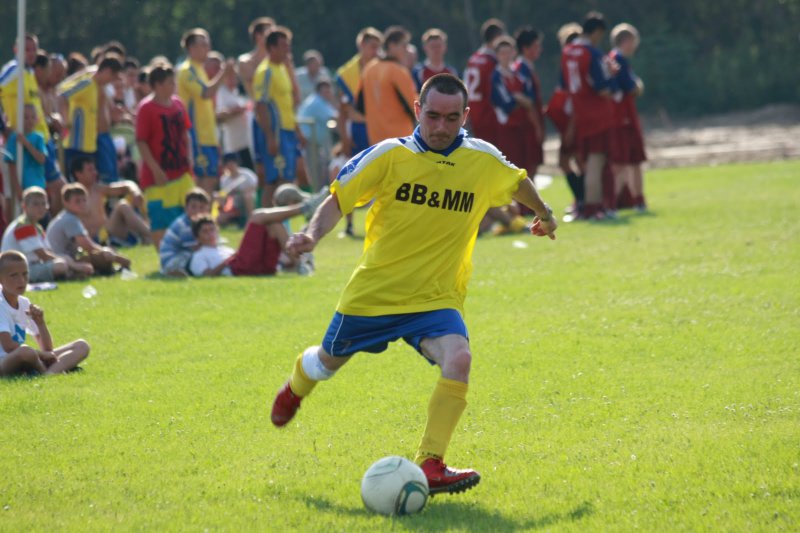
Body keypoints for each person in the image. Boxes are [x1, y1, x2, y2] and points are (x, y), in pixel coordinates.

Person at [269, 74, 558, 495]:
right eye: (433, 116)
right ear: (418, 111)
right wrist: (312, 236)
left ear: (465, 116)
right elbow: (338, 201)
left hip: (436, 297)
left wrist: (545, 214)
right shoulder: (389, 155)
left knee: (459, 359)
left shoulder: (481, 158)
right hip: (375, 294)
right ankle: (297, 384)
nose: (441, 127)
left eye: (452, 119)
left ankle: (431, 463)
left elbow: (517, 182)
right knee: (325, 364)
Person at [0, 33, 64, 214]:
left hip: (42, 139)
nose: (31, 53)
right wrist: (3, 127)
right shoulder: (14, 70)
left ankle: (42, 227)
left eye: (34, 49)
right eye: (26, 49)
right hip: (27, 142)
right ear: (16, 50)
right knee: (57, 189)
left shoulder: (29, 72)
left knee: (44, 193)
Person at [561, 11, 616, 220]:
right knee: (596, 160)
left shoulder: (568, 51)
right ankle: (593, 208)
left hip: (579, 112)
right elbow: (602, 88)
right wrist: (612, 77)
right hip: (596, 112)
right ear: (597, 32)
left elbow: (565, 84)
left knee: (586, 160)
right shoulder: (592, 53)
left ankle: (589, 206)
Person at [0, 251, 90, 376]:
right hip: (4, 362)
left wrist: (40, 323)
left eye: (25, 274)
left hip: (29, 358)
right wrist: (42, 355)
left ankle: (49, 373)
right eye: (13, 275)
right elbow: (8, 346)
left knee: (82, 346)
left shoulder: (24, 303)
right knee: (26, 351)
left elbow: (47, 349)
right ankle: (47, 370)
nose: (21, 280)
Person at [135, 62, 195, 250]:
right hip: (158, 178)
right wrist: (156, 170)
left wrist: (190, 158)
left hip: (182, 172)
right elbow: (141, 141)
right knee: (161, 219)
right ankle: (166, 258)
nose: (174, 86)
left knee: (190, 215)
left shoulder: (178, 103)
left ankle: (188, 254)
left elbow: (186, 133)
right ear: (158, 85)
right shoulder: (146, 108)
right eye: (170, 82)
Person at [188, 200, 319, 277]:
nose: (210, 234)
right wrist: (227, 261)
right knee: (257, 216)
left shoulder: (223, 248)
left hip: (259, 268)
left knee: (274, 224)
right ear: (197, 236)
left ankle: (299, 265)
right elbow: (207, 275)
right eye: (205, 231)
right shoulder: (198, 255)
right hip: (238, 269)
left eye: (212, 229)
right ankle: (304, 208)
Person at [177, 28, 235, 194]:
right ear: (191, 48)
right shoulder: (187, 70)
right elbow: (206, 92)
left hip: (208, 135)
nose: (207, 49)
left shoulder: (199, 69)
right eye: (203, 45)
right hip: (197, 136)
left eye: (208, 44)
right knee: (203, 181)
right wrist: (224, 72)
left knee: (211, 179)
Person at [253, 27, 302, 207]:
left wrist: (297, 131)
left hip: (287, 132)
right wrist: (269, 137)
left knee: (286, 179)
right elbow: (261, 105)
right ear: (272, 48)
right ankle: (266, 219)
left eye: (288, 45)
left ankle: (279, 221)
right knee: (274, 180)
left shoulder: (282, 68)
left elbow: (291, 101)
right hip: (276, 133)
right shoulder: (265, 71)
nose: (287, 49)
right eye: (283, 45)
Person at [57, 53, 124, 182]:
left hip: (89, 146)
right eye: (112, 77)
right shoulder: (86, 83)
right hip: (76, 146)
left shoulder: (97, 87)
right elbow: (62, 95)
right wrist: (65, 122)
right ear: (107, 71)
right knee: (76, 186)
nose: (110, 82)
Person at [1, 187, 92, 282]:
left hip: (30, 266)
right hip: (17, 270)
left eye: (43, 203)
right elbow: (43, 255)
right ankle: (71, 274)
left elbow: (48, 252)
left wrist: (68, 261)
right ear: (24, 206)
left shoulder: (36, 226)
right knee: (61, 265)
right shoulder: (23, 226)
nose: (41, 208)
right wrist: (74, 265)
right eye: (36, 204)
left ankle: (72, 274)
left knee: (65, 259)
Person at [46, 183, 131, 275]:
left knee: (105, 251)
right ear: (66, 203)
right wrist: (117, 258)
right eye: (77, 201)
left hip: (64, 260)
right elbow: (87, 246)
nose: (82, 204)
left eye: (84, 200)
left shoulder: (67, 216)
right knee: (103, 256)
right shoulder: (69, 219)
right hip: (61, 261)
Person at [546, 23, 584, 219]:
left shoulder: (573, 64)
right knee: (572, 161)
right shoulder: (571, 64)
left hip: (576, 121)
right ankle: (581, 199)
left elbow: (575, 98)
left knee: (575, 160)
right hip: (574, 120)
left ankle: (584, 201)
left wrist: (570, 126)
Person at [70, 155, 150, 247]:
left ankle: (147, 236)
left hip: (107, 233)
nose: (95, 173)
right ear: (78, 174)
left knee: (124, 204)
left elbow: (126, 185)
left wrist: (135, 192)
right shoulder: (72, 195)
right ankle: (151, 235)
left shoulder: (98, 189)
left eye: (94, 169)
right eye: (90, 170)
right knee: (122, 206)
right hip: (93, 239)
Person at [608, 23, 647, 212]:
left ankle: (635, 200)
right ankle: (613, 204)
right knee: (623, 163)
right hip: (622, 118)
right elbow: (632, 88)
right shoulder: (618, 60)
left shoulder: (617, 59)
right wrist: (638, 86)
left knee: (631, 161)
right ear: (626, 41)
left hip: (623, 117)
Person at [357, 26, 417, 145]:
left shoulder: (369, 69)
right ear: (391, 46)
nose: (407, 50)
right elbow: (414, 107)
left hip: (376, 141)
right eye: (404, 45)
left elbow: (360, 106)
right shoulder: (398, 71)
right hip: (400, 140)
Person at [334, 27, 383, 159]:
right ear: (362, 45)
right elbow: (342, 110)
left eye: (378, 47)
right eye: (373, 47)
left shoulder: (384, 69)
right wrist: (345, 139)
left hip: (381, 128)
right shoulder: (347, 74)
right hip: (358, 130)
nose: (376, 52)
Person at [463, 19, 506, 145]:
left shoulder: (473, 58)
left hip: (473, 112)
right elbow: (496, 92)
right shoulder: (492, 61)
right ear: (497, 37)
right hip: (489, 114)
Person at [158, 188, 211, 277]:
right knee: (192, 255)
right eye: (193, 207)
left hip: (179, 255)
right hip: (171, 258)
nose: (197, 211)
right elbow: (194, 247)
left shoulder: (200, 223)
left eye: (201, 207)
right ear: (186, 208)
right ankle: (173, 270)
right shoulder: (184, 225)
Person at [297, 78, 338, 188]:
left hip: (313, 143)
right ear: (319, 92)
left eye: (329, 91)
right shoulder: (317, 102)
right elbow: (335, 118)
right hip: (309, 143)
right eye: (326, 91)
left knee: (319, 171)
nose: (328, 94)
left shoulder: (319, 101)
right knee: (315, 173)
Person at [3, 104, 46, 202]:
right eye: (26, 117)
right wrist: (18, 189)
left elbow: (42, 159)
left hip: (38, 186)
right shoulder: (13, 138)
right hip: (22, 187)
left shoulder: (39, 138)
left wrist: (26, 143)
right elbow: (11, 166)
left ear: (37, 119)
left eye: (33, 117)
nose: (30, 120)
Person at [215, 64, 254, 170]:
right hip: (234, 145)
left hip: (245, 141)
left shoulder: (236, 92)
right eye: (230, 77)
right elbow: (219, 114)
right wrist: (237, 110)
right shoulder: (221, 93)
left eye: (234, 77)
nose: (233, 79)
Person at [217, 155, 258, 227]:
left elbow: (254, 187)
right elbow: (223, 196)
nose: (230, 166)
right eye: (228, 164)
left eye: (232, 163)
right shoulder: (224, 179)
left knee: (247, 196)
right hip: (233, 205)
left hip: (249, 202)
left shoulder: (247, 174)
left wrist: (240, 191)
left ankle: (251, 221)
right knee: (220, 218)